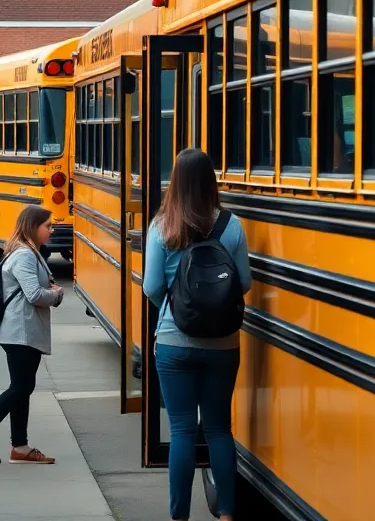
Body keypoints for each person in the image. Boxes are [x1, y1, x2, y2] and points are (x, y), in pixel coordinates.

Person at [141, 148, 251, 521]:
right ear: (210, 181)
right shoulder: (231, 226)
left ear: (176, 182)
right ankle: (227, 514)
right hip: (224, 344)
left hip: (173, 343)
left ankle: (180, 516)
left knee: (183, 430)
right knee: (220, 428)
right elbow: (245, 283)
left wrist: (174, 310)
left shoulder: (162, 226)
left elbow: (152, 286)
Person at [0, 205, 62, 465]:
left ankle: (20, 446)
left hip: (22, 330)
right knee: (20, 387)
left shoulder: (29, 252)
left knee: (23, 388)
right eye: (48, 226)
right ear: (33, 227)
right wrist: (56, 295)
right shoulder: (25, 256)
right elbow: (34, 295)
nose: (52, 230)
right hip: (21, 330)